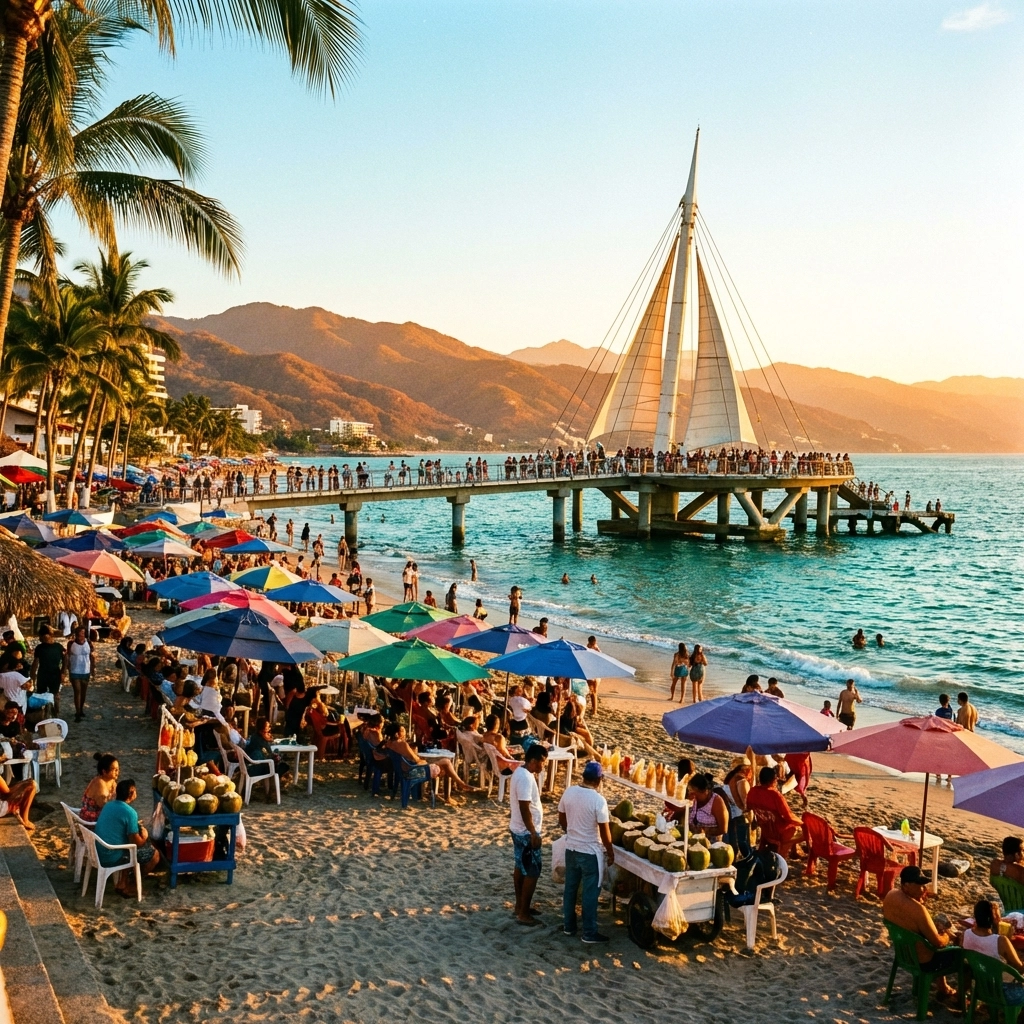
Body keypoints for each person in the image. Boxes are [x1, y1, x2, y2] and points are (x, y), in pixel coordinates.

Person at [882, 865, 960, 1000]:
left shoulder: (891, 895)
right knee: (962, 956)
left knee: (932, 932)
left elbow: (906, 919)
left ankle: (943, 987)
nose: (923, 888)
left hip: (903, 954)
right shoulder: (918, 910)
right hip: (924, 962)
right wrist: (947, 936)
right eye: (919, 885)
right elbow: (938, 943)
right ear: (906, 885)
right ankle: (958, 999)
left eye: (924, 884)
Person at [559, 761, 613, 944]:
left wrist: (572, 831)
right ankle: (589, 932)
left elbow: (562, 817)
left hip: (571, 848)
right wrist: (610, 851)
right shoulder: (598, 800)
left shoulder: (569, 792)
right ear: (599, 780)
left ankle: (569, 926)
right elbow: (605, 831)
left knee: (570, 889)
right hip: (590, 851)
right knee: (590, 893)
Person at [94, 779, 161, 894]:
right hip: (111, 856)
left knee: (127, 846)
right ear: (131, 793)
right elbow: (136, 842)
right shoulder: (130, 813)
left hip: (98, 851)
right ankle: (132, 885)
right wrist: (144, 836)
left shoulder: (108, 805)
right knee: (154, 855)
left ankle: (122, 882)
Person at [509, 744, 548, 925]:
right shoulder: (525, 778)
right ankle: (523, 913)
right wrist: (533, 832)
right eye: (542, 763)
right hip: (525, 832)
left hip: (518, 828)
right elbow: (525, 807)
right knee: (532, 872)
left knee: (520, 867)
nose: (543, 766)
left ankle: (520, 905)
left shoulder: (520, 772)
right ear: (533, 761)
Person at [963, 899, 1024, 1003]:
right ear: (994, 919)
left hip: (980, 986)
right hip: (1002, 991)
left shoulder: (966, 934)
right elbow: (1020, 968)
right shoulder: (1001, 941)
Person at [745, 766, 803, 851]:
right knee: (802, 829)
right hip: (779, 832)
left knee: (793, 824)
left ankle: (794, 852)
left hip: (766, 829)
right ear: (773, 780)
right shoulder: (775, 795)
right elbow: (789, 816)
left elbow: (749, 807)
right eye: (776, 779)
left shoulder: (753, 791)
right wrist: (802, 823)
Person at [720, 757, 753, 857]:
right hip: (739, 815)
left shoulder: (731, 778)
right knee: (744, 843)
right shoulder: (741, 781)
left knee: (732, 842)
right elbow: (746, 802)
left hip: (730, 812)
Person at [686, 772, 729, 842]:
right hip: (693, 839)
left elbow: (723, 829)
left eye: (695, 793)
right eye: (691, 791)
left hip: (711, 844)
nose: (692, 795)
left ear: (705, 792)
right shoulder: (693, 798)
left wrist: (704, 830)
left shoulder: (716, 801)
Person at [31, 627, 65, 714]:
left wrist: (63, 672)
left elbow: (66, 659)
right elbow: (35, 662)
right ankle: (42, 713)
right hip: (43, 673)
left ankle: (56, 712)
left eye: (42, 636)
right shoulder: (39, 648)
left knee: (55, 694)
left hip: (55, 673)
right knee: (41, 694)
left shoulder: (58, 647)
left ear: (48, 635)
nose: (41, 638)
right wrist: (32, 676)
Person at [65, 625, 93, 722]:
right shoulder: (71, 643)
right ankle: (77, 712)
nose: (83, 634)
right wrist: (66, 669)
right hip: (74, 670)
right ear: (77, 634)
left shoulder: (88, 642)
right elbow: (67, 657)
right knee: (77, 691)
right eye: (81, 632)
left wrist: (93, 669)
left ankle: (81, 709)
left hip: (85, 670)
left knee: (83, 692)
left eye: (84, 632)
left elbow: (91, 656)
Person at [80, 753, 119, 823]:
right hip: (91, 818)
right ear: (104, 771)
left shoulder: (111, 781)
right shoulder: (99, 783)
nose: (117, 772)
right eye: (114, 770)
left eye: (118, 769)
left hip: (100, 813)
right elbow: (105, 807)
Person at [585, 636, 601, 716]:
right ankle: (594, 709)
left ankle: (594, 711)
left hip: (593, 673)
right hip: (595, 673)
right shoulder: (595, 648)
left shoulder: (591, 648)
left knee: (593, 693)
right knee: (594, 692)